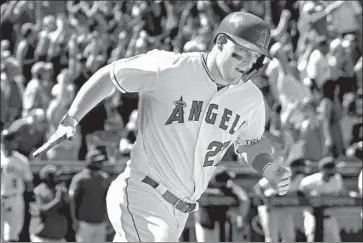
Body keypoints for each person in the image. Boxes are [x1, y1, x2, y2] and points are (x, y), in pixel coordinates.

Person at [36, 11, 291, 242]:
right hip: (142, 191)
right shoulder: (170, 67)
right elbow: (111, 76)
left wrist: (267, 167)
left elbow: (250, 142)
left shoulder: (251, 99)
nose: (246, 63)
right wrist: (71, 118)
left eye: (254, 58)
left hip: (181, 210)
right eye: (241, 53)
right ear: (221, 42)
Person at [194, 169, 250, 242]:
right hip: (205, 221)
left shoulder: (228, 191)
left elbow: (241, 202)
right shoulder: (204, 189)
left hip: (219, 222)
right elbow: (244, 200)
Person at [298, 157, 344, 242]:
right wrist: (311, 196)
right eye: (330, 168)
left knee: (335, 240)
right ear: (323, 169)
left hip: (330, 217)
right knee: (313, 239)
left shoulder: (337, 179)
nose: (333, 171)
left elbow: (340, 194)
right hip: (313, 216)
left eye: (333, 168)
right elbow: (300, 194)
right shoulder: (310, 181)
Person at [69, 149, 110, 242]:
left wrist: (107, 218)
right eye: (97, 162)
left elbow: (107, 200)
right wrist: (74, 220)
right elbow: (72, 200)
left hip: (100, 222)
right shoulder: (79, 178)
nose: (100, 164)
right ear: (90, 162)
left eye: (101, 161)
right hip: (84, 223)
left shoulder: (105, 178)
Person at [1, 130, 34, 242]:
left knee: (13, 234)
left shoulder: (22, 161)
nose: (12, 144)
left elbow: (29, 184)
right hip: (1, 197)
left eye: (13, 141)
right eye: (9, 141)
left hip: (15, 198)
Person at [29, 165, 69, 242]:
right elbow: (42, 211)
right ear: (47, 177)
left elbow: (68, 210)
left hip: (59, 238)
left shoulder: (59, 190)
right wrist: (57, 199)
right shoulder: (37, 191)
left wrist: (65, 197)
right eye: (55, 176)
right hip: (42, 238)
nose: (58, 178)